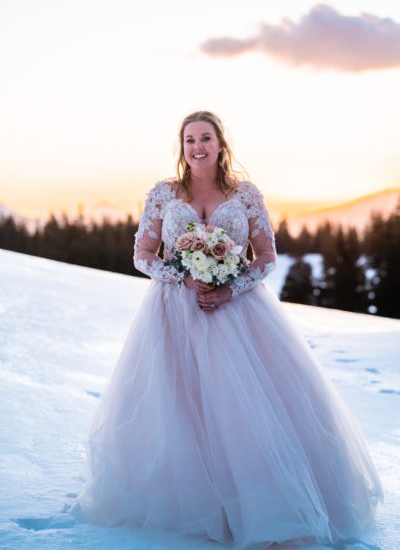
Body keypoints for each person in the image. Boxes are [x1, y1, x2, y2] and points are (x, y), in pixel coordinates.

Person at [70, 110, 383, 549]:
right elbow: (142, 255)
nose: (197, 147)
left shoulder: (246, 194)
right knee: (179, 407)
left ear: (221, 145)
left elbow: (266, 258)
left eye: (205, 138)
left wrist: (229, 289)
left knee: (242, 411)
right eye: (189, 140)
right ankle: (192, 503)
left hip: (237, 312)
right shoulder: (164, 194)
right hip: (173, 313)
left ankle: (260, 506)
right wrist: (181, 276)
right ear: (182, 148)